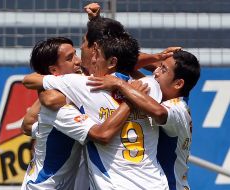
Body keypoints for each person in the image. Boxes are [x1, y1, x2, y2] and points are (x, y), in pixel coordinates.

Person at [22, 20, 169, 189]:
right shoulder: (149, 86)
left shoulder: (83, 87)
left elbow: (29, 118)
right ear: (54, 71)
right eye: (71, 58)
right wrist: (129, 94)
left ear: (112, 62)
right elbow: (45, 103)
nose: (85, 60)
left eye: (96, 55)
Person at [21, 37, 132, 190]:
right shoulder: (59, 109)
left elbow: (27, 125)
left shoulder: (67, 90)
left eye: (75, 54)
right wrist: (130, 101)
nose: (78, 61)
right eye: (70, 58)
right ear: (54, 71)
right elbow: (102, 134)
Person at [87, 49, 200, 190]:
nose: (155, 72)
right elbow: (129, 64)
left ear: (178, 84)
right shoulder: (157, 96)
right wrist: (157, 56)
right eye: (158, 66)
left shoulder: (179, 110)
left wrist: (119, 84)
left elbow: (159, 112)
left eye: (163, 69)